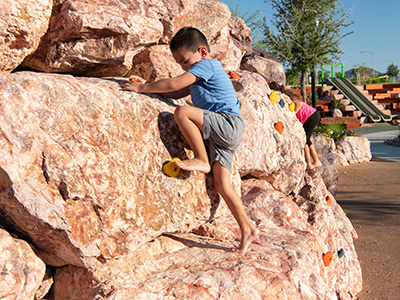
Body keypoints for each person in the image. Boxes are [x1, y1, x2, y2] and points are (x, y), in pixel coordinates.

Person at [121, 27, 258, 253]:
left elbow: (175, 84)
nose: (184, 67)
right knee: (223, 185)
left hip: (226, 123)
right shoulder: (200, 71)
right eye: (180, 64)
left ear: (202, 51)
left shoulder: (207, 64)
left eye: (185, 61)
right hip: (225, 133)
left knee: (182, 113)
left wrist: (143, 87)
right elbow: (176, 92)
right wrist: (150, 91)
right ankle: (248, 229)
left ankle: (201, 158)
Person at [269, 82, 322, 171]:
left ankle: (309, 163)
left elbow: (298, 104)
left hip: (310, 116)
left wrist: (293, 115)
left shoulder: (287, 98)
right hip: (313, 115)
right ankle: (316, 161)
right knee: (307, 139)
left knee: (304, 140)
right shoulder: (284, 97)